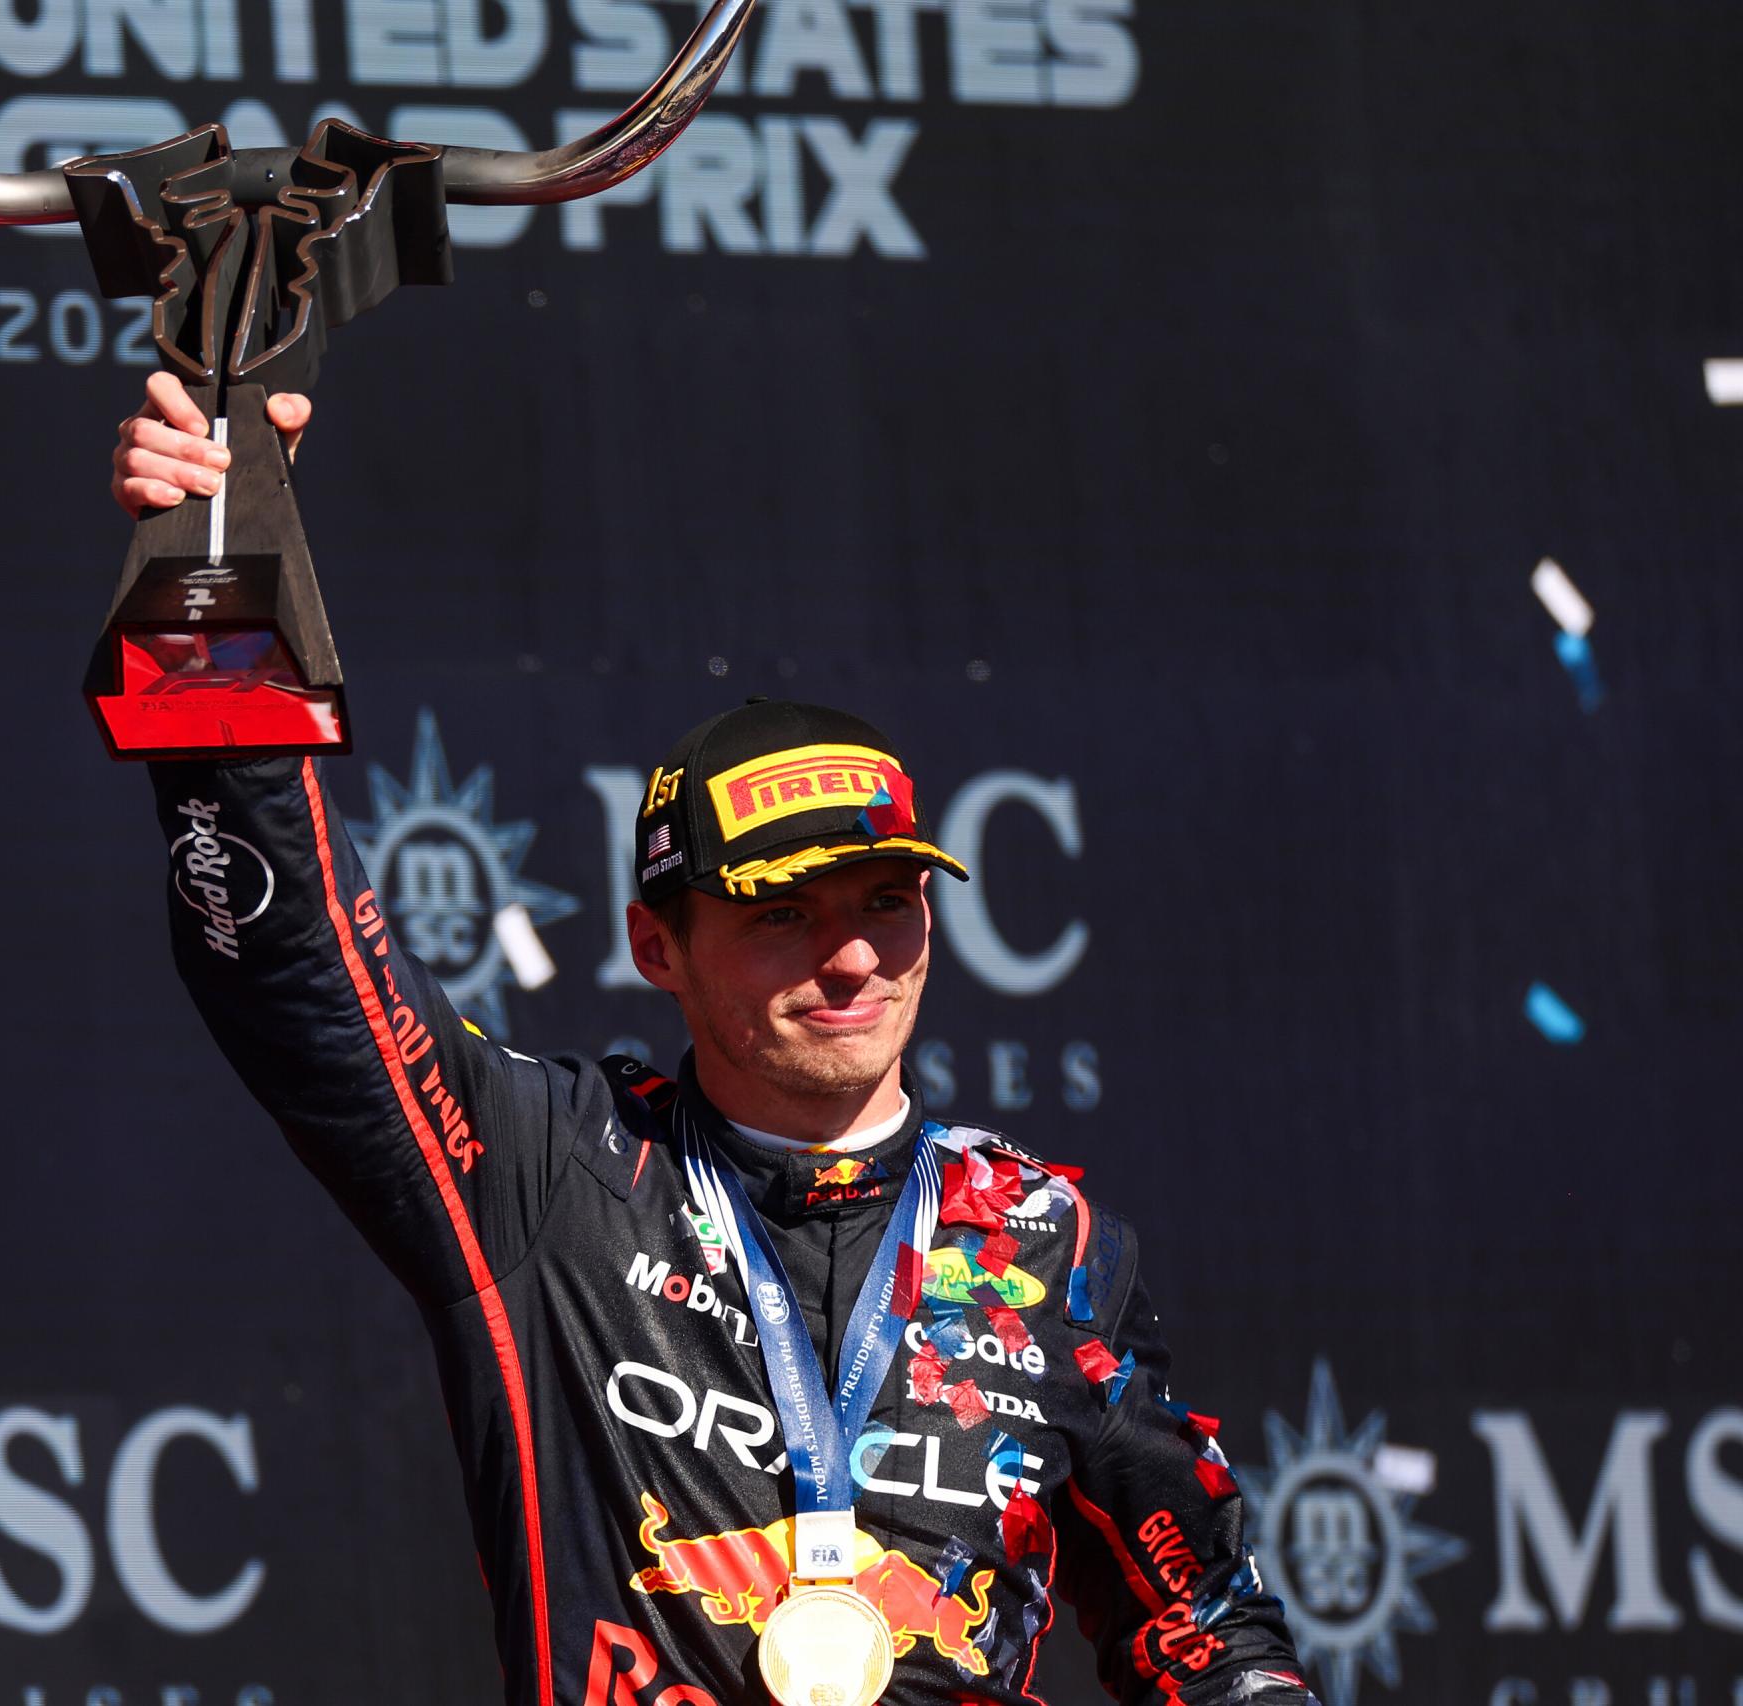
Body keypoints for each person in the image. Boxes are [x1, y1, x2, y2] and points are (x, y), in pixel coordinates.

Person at [111, 373, 1313, 1706]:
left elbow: (1202, 1624)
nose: (850, 957)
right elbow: (298, 973)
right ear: (656, 946)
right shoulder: (552, 1170)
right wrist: (219, 579)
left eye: (886, 901)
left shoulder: (1045, 1242)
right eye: (781, 914)